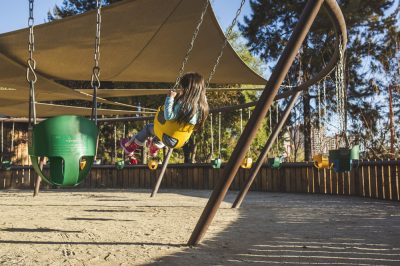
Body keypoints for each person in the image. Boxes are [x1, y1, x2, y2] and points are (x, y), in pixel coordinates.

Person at [121, 72, 209, 158]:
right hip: (181, 141)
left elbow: (168, 116)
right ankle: (155, 146)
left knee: (149, 128)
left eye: (182, 88)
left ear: (186, 89)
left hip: (167, 137)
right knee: (166, 129)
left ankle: (131, 147)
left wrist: (170, 98)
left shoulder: (183, 105)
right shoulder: (202, 108)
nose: (181, 90)